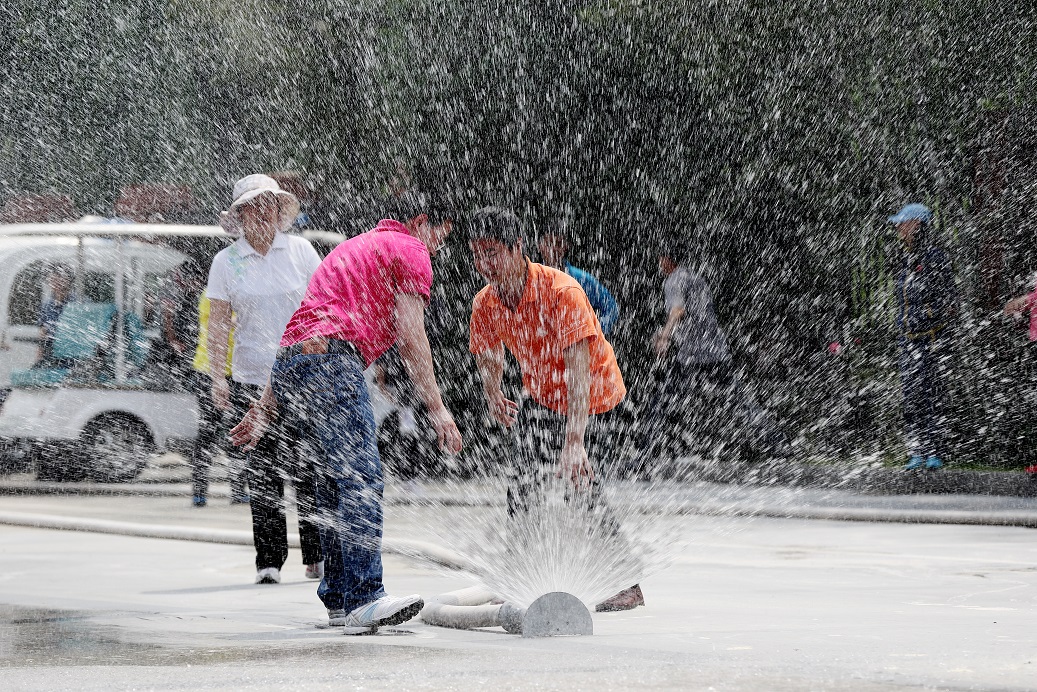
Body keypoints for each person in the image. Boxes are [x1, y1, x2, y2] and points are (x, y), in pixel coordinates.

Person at [230, 196, 463, 634]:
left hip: (293, 366)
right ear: (421, 222)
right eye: (440, 236)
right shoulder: (410, 249)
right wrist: (437, 408)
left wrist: (266, 406)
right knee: (360, 478)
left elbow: (302, 331)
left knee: (332, 483)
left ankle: (338, 598)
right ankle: (364, 597)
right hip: (333, 363)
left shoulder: (351, 248)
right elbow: (412, 334)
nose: (437, 247)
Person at [466, 207, 643, 613]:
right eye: (476, 255)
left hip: (596, 398)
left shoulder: (562, 292)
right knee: (522, 483)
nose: (484, 264)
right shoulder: (486, 303)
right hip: (544, 397)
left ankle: (625, 583)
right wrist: (493, 393)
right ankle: (519, 576)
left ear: (517, 247)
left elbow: (579, 373)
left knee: (580, 484)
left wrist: (574, 442)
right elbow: (488, 353)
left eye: (492, 253)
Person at [207, 173, 323, 584]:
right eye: (254, 207)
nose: (263, 214)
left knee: (309, 465)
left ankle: (317, 554)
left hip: (302, 375)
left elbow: (322, 306)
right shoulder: (226, 262)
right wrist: (218, 377)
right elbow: (218, 324)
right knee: (262, 470)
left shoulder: (301, 250)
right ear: (239, 215)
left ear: (279, 210)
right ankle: (269, 560)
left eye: (269, 205)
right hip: (252, 378)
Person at [640, 234, 787, 468]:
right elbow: (699, 315)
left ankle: (643, 457)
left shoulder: (673, 281)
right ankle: (778, 445)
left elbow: (678, 310)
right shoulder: (696, 278)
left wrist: (665, 336)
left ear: (668, 259)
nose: (659, 262)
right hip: (716, 352)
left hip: (691, 356)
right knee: (741, 401)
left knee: (661, 402)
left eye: (661, 257)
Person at [891, 203, 955, 470]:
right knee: (911, 395)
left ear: (917, 225)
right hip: (907, 338)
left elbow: (949, 299)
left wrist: (931, 316)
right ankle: (916, 450)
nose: (898, 227)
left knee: (932, 393)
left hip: (931, 338)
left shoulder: (936, 257)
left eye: (902, 223)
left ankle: (935, 450)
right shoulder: (903, 258)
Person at [538, 230, 620, 334]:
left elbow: (611, 308)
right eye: (548, 243)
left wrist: (594, 331)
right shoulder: (530, 279)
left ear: (566, 246)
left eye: (558, 244)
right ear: (539, 246)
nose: (553, 249)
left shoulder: (581, 279)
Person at [35, 263, 75, 365]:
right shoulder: (47, 305)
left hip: (72, 355)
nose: (56, 283)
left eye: (60, 279)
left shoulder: (78, 304)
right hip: (51, 356)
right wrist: (39, 358)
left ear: (68, 281)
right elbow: (43, 333)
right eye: (53, 279)